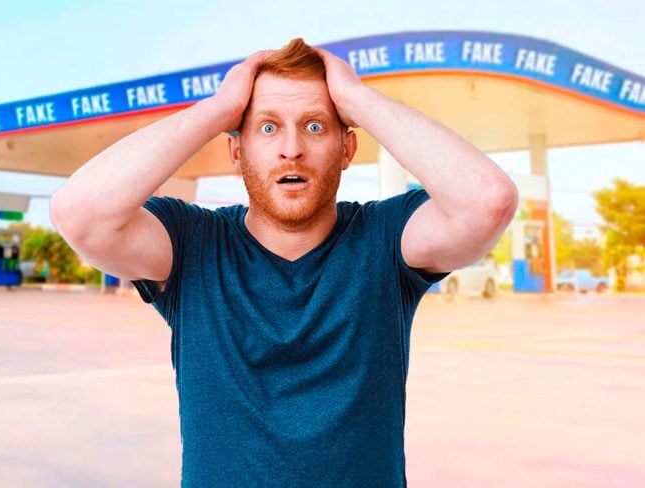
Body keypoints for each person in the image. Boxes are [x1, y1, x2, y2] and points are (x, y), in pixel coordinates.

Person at [50, 39, 518, 487]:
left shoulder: (385, 238)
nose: (291, 148)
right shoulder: (191, 243)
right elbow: (79, 215)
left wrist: (357, 98)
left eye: (314, 127)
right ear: (237, 152)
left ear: (347, 149)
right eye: (268, 127)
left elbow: (487, 202)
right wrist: (219, 109)